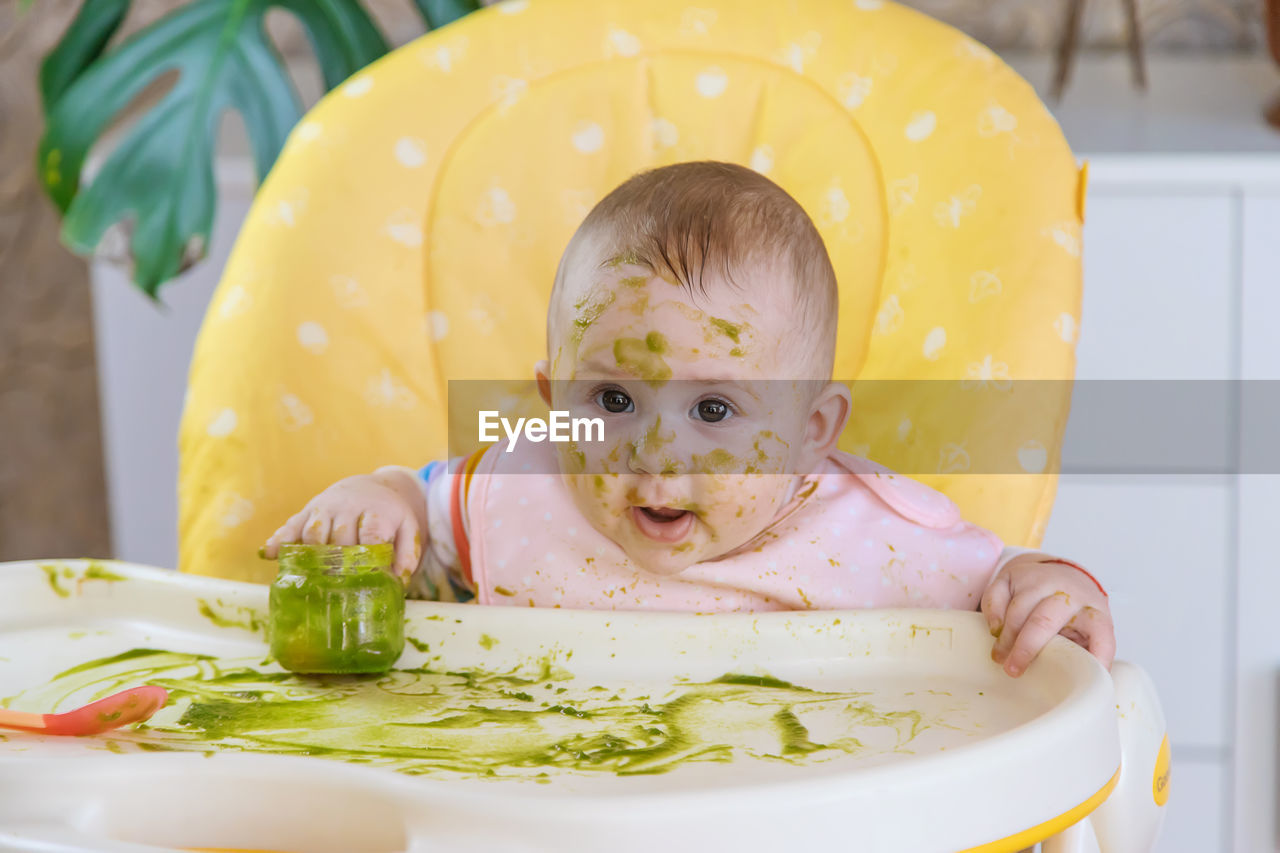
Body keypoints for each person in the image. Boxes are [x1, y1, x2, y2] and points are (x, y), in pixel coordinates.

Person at [263, 161, 1113, 679]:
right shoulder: (523, 485)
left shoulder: (876, 538)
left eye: (714, 409)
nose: (658, 458)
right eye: (614, 401)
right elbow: (430, 513)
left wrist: (1053, 589)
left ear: (812, 432)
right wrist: (383, 503)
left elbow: (1009, 585)